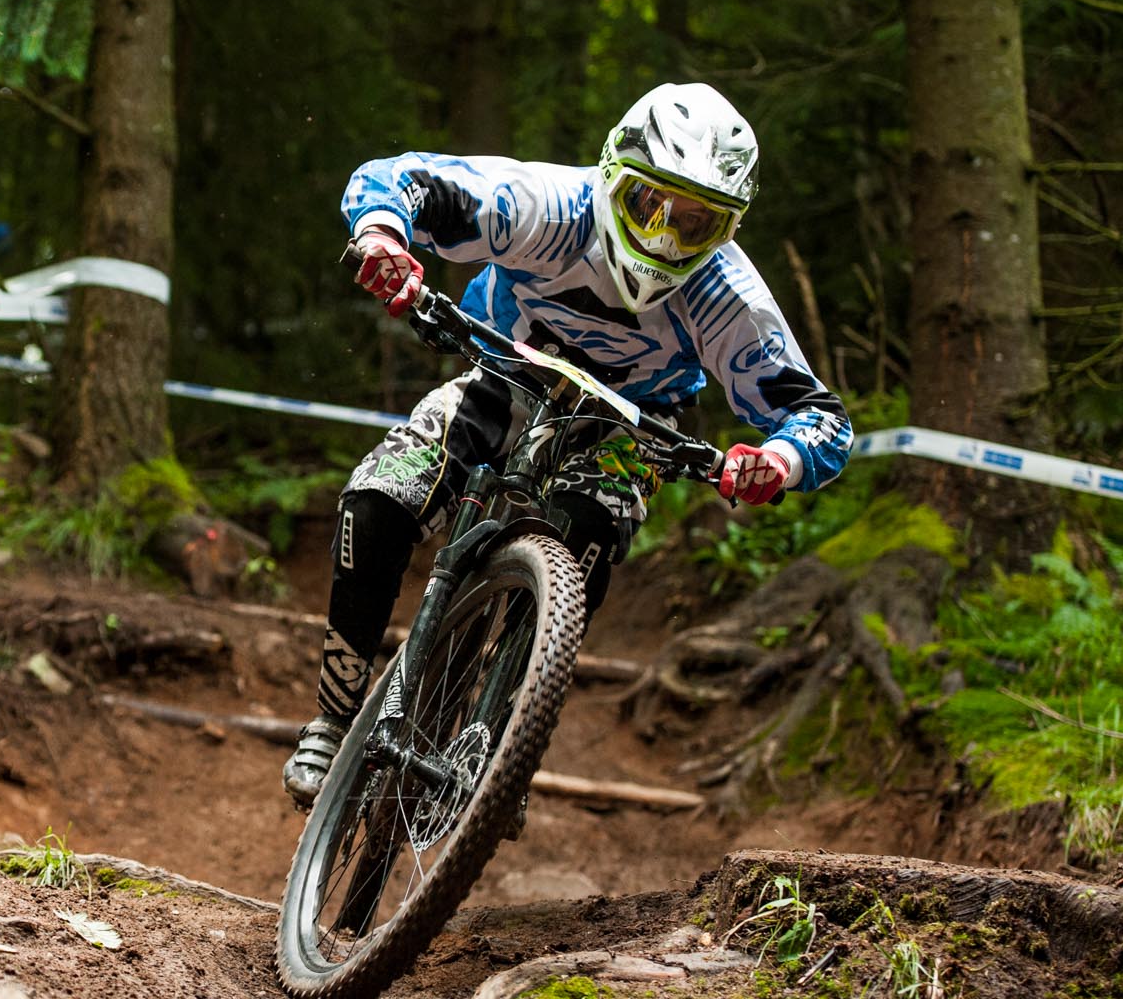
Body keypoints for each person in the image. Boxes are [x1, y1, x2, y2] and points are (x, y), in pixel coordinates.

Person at [281, 82, 856, 805]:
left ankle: (507, 739)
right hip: (506, 374)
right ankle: (335, 718)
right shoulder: (549, 207)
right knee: (378, 501)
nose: (666, 239)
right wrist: (382, 237)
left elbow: (820, 417)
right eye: (650, 205)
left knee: (587, 533)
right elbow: (399, 180)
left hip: (632, 424)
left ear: (729, 229)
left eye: (698, 224)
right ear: (613, 176)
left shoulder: (725, 294)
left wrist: (778, 459)